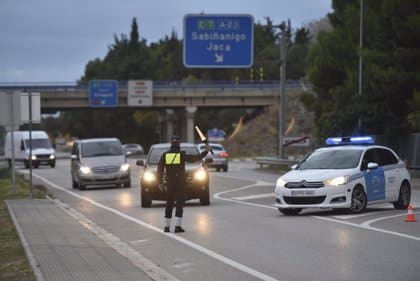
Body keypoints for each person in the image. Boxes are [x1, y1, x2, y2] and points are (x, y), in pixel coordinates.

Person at [157, 135, 211, 233]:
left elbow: (159, 169)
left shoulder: (165, 155)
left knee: (169, 203)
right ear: (179, 144)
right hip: (180, 183)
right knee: (179, 204)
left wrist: (160, 182)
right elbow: (194, 158)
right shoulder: (181, 155)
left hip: (170, 183)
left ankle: (167, 227)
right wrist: (206, 152)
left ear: (171, 143)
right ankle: (177, 226)